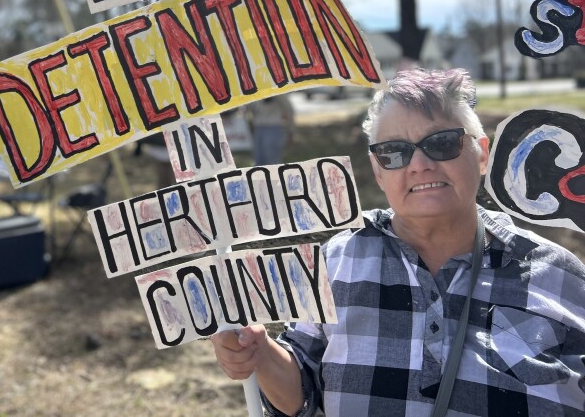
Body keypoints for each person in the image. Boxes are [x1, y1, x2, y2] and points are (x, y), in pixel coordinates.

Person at [211, 68, 585, 416]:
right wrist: (259, 354)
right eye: (394, 152)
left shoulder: (558, 275)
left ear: (482, 153)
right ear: (377, 171)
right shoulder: (336, 260)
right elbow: (302, 394)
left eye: (441, 143)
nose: (419, 164)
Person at [246, 95, 295, 165]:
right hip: (259, 128)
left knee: (272, 161)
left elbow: (289, 110)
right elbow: (249, 107)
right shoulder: (258, 91)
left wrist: (291, 130)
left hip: (274, 128)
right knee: (258, 160)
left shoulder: (278, 93)